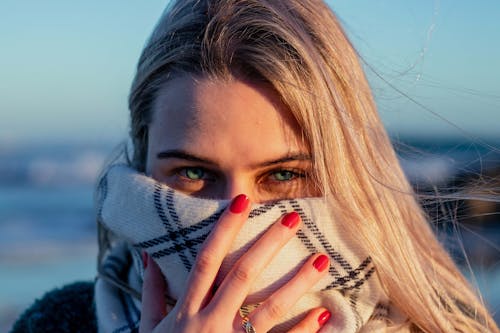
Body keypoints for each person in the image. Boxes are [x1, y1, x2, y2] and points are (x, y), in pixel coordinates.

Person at [11, 0, 499, 332]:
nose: (233, 219)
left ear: (345, 173)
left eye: (283, 175)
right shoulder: (60, 319)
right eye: (191, 173)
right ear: (142, 169)